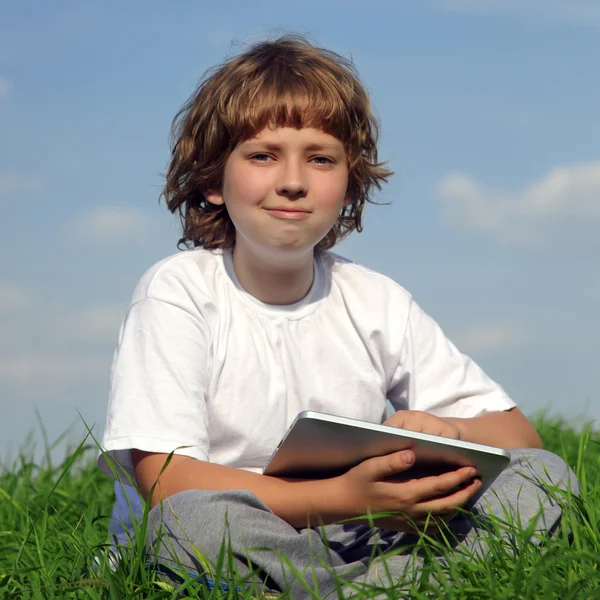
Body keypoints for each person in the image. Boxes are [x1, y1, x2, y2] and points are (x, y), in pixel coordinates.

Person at [98, 35, 579, 598]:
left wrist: (445, 431)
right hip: (250, 536)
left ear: (349, 182)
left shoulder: (373, 298)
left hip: (367, 535)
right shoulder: (177, 292)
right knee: (188, 522)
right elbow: (166, 480)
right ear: (212, 182)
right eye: (263, 155)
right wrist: (348, 497)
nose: (294, 180)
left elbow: (516, 435)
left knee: (544, 477)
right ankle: (404, 588)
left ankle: (362, 589)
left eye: (321, 158)